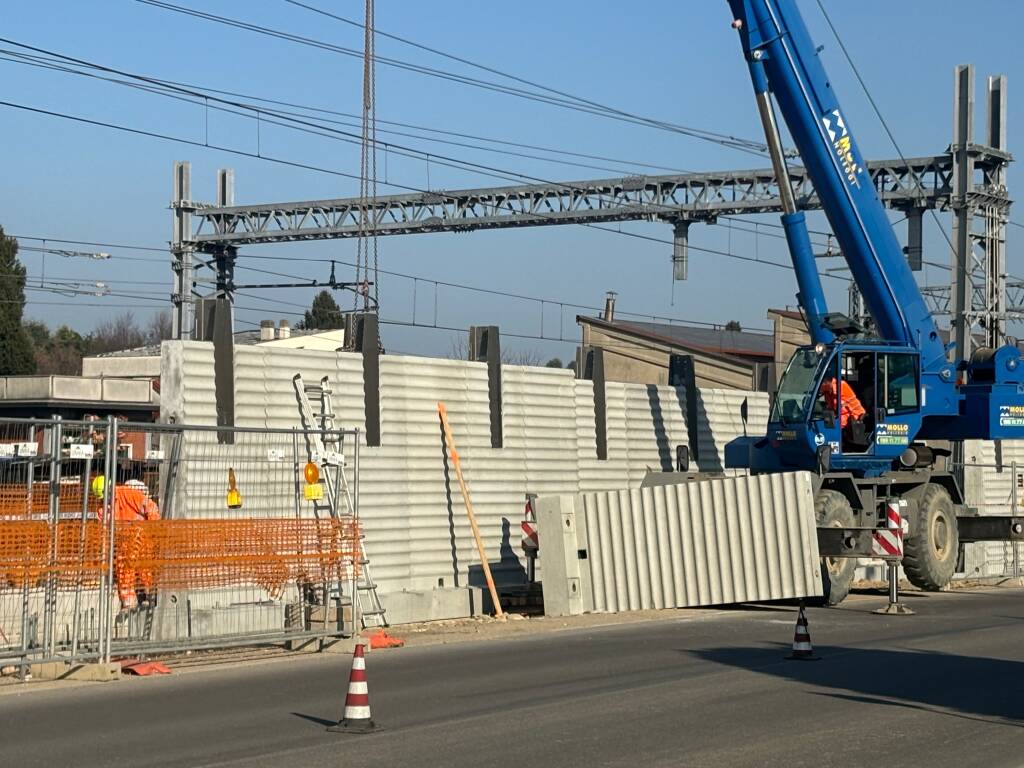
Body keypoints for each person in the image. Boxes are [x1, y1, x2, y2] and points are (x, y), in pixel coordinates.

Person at [91, 474, 161, 610]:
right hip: (124, 542)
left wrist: (154, 531)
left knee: (144, 565)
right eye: (102, 499)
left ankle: (149, 595)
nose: (104, 501)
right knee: (123, 567)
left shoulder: (128, 494)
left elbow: (151, 507)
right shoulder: (102, 510)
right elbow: (104, 534)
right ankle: (128, 602)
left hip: (142, 535)